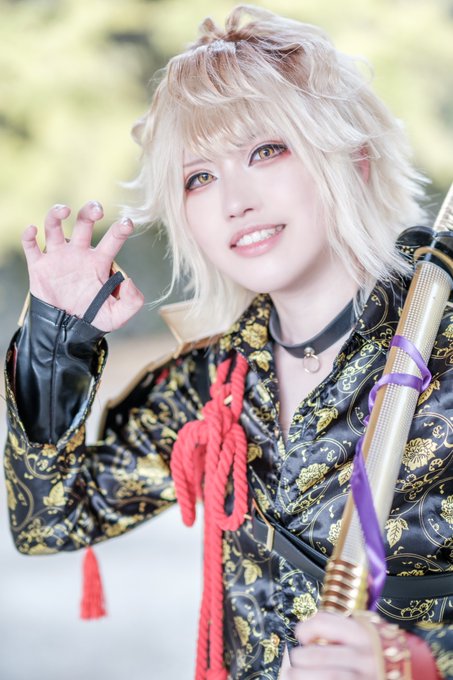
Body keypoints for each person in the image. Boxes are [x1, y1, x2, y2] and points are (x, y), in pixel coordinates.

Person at [3, 5, 452, 679]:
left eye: (265, 151)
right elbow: (51, 518)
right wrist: (55, 337)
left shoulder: (441, 352)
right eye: (199, 176)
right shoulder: (215, 382)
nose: (232, 200)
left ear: (352, 157)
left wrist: (415, 661)